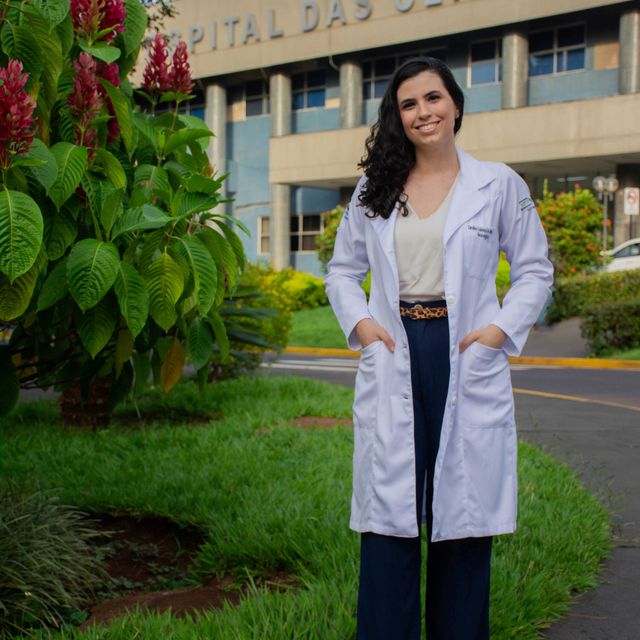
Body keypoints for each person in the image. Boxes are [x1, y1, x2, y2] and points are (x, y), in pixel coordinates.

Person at [324, 57, 554, 640]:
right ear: (397, 118)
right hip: (397, 348)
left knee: (463, 514)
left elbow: (534, 270)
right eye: (408, 104)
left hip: (465, 351)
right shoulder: (375, 188)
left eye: (432, 98)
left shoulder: (499, 183)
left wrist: (499, 332)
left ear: (454, 103)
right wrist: (365, 329)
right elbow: (341, 273)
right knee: (389, 513)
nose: (423, 112)